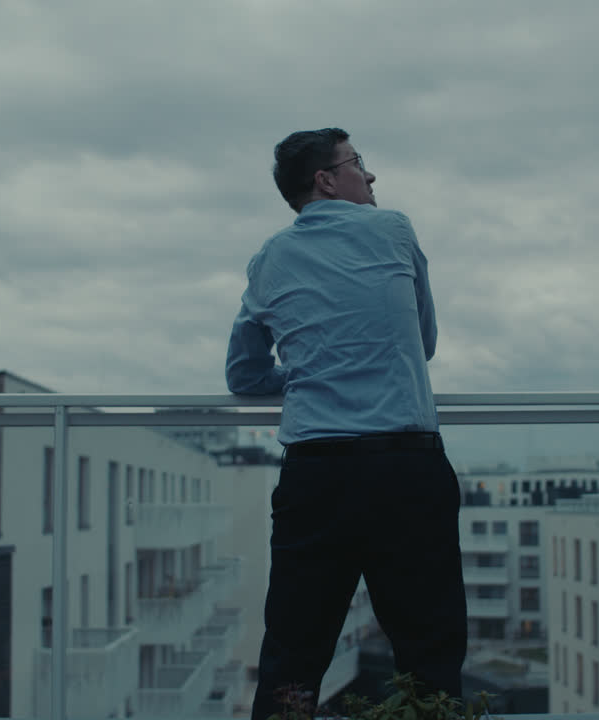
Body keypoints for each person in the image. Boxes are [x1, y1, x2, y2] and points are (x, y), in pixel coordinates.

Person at [226, 128, 467, 720]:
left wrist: (306, 370)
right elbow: (425, 341)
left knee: (293, 652)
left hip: (318, 476)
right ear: (327, 181)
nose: (371, 176)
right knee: (429, 650)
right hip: (405, 468)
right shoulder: (394, 230)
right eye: (359, 163)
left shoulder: (269, 258)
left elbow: (244, 374)